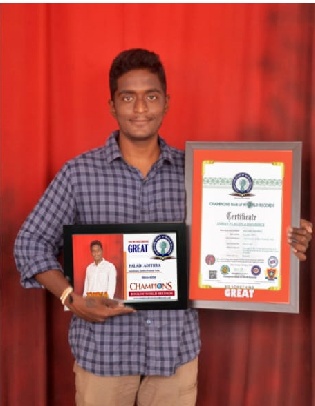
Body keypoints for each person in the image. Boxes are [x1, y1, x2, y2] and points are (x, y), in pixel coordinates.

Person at [14, 48, 312, 406]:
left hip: (175, 358)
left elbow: (240, 228)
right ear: (112, 106)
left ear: (166, 103)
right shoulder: (79, 174)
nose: (141, 109)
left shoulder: (201, 175)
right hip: (104, 358)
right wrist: (70, 298)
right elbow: (29, 243)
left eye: (151, 96)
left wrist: (283, 234)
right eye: (128, 97)